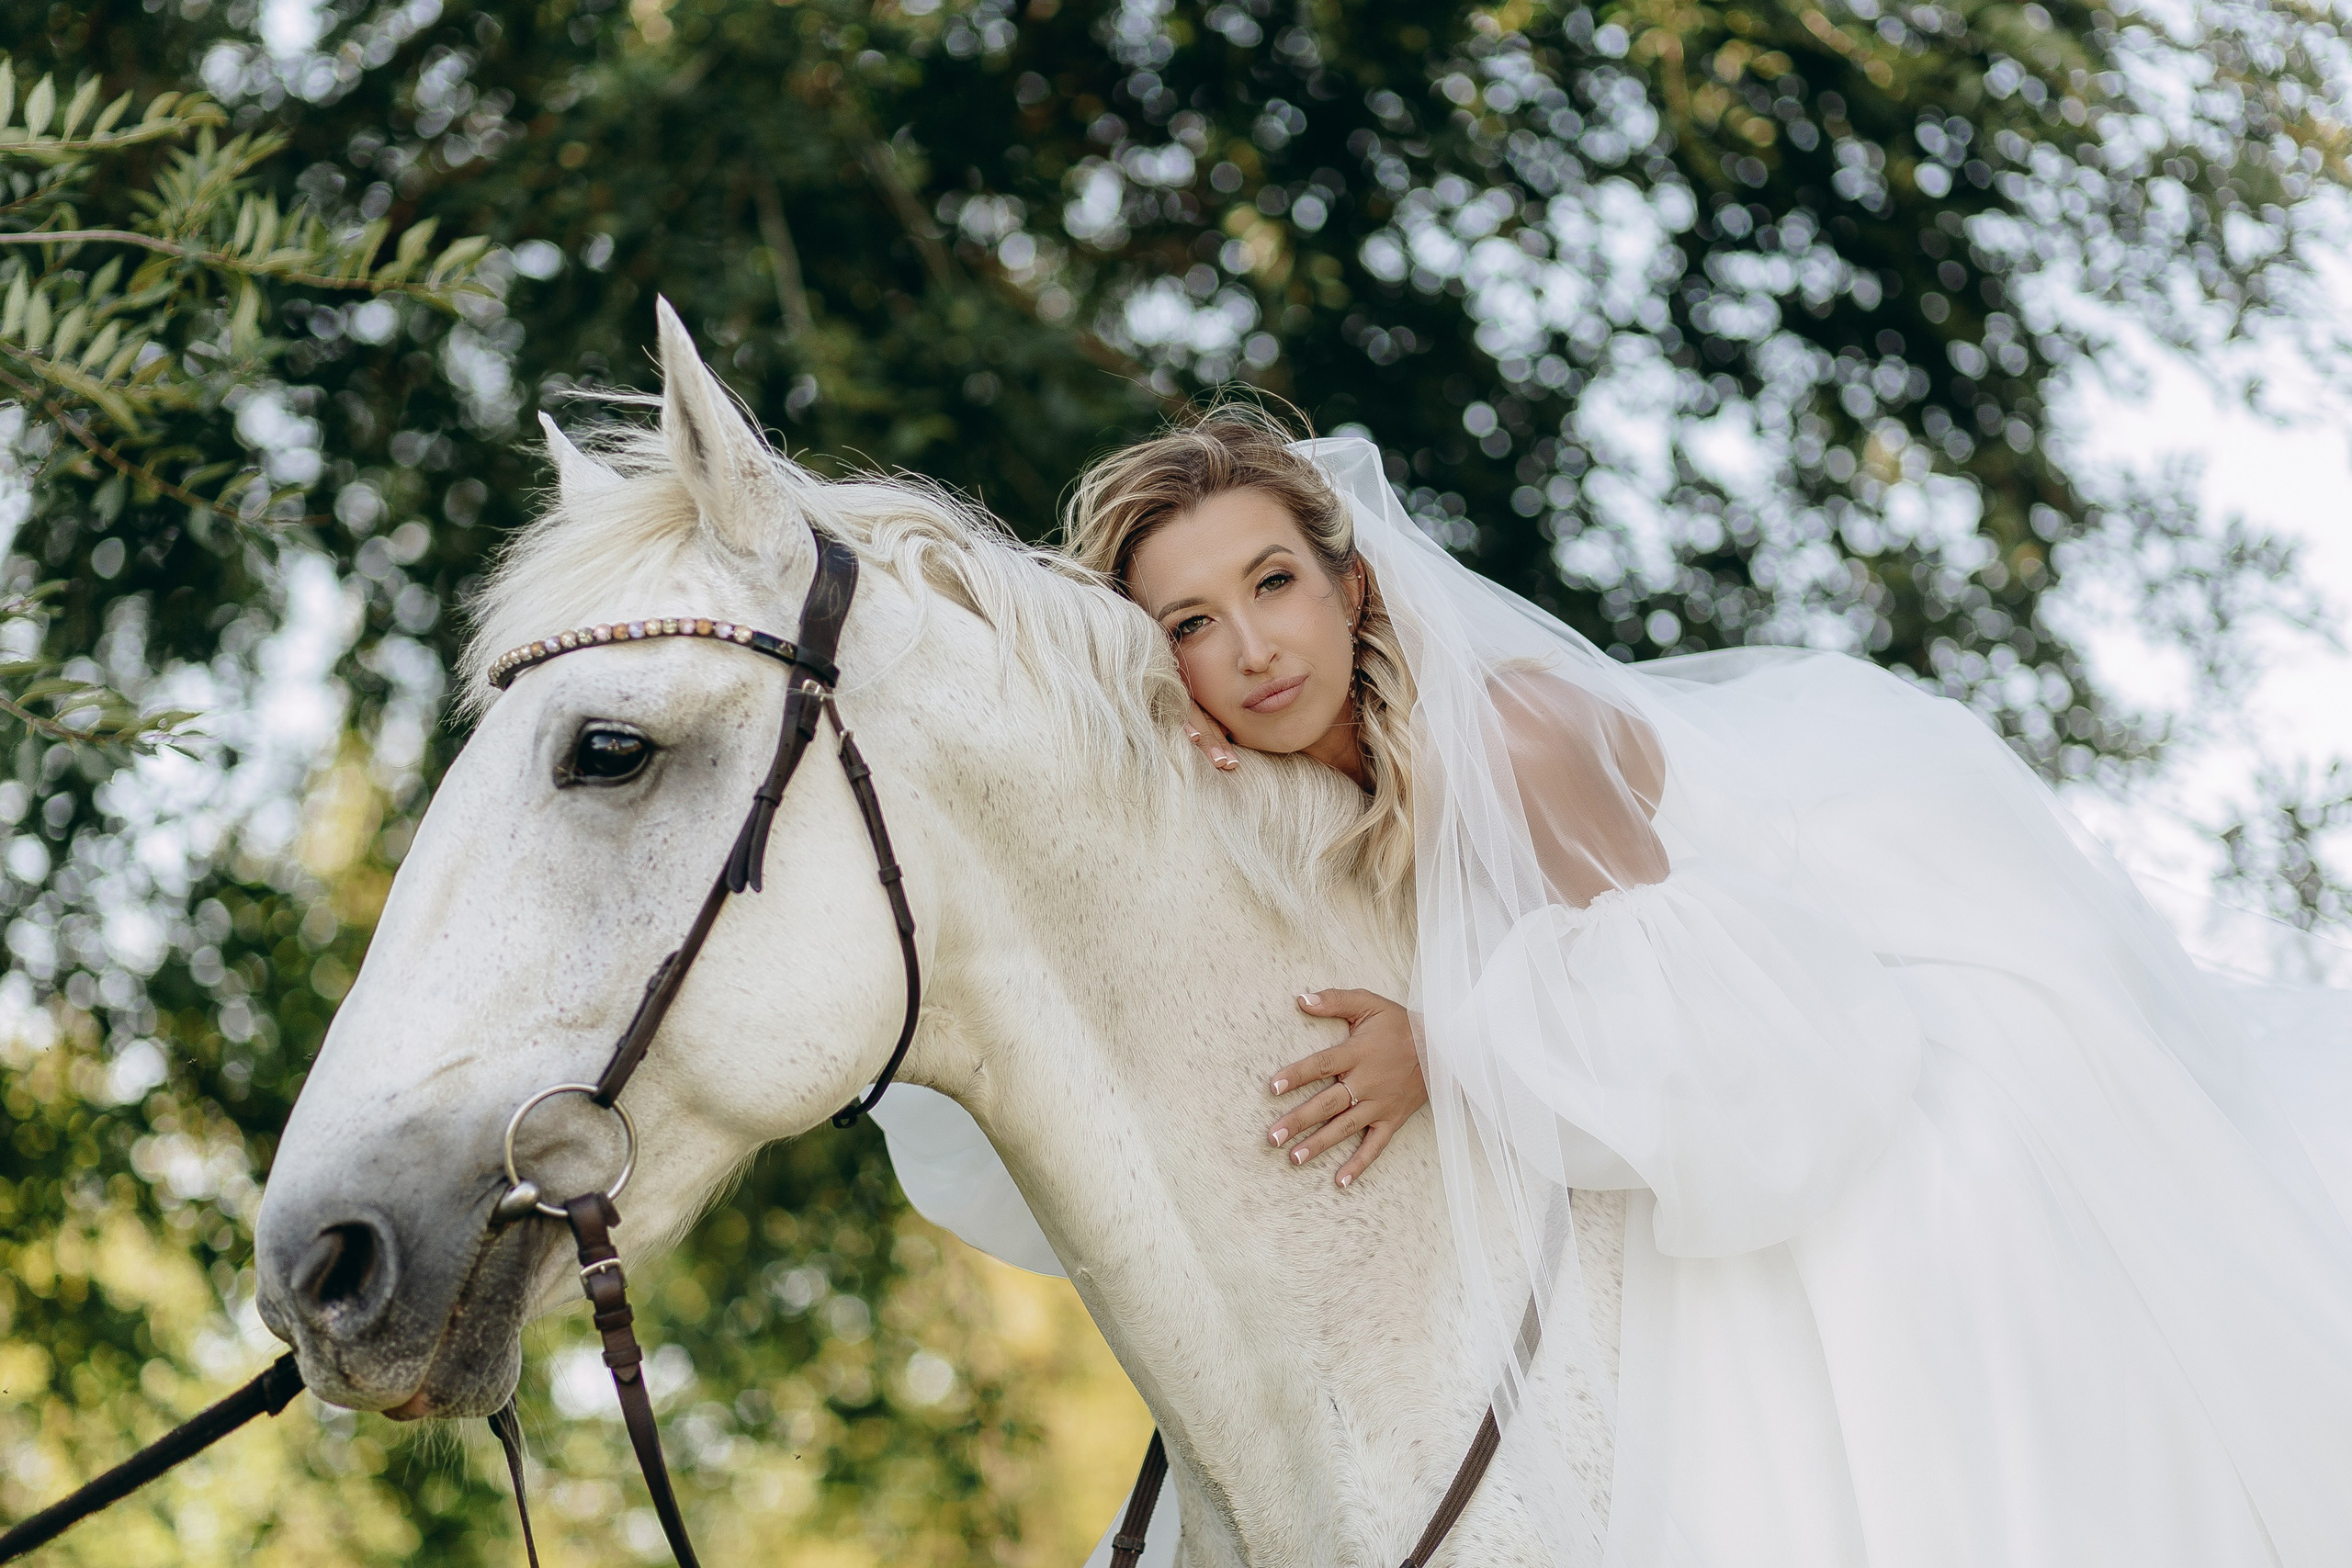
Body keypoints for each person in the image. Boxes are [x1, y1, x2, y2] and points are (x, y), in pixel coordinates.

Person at [878, 406, 2352, 1566]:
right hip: (1668, 1127)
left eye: (1273, 584)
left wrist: (1445, 1049)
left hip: (1846, 1085)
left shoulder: (1512, 739)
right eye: (1192, 626)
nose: (1253, 650)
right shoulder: (1274, 782)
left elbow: (1734, 1038)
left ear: (1353, 584)